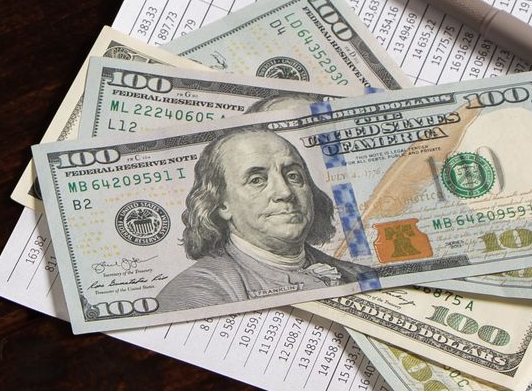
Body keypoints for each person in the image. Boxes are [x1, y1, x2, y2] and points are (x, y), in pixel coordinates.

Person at [155, 126, 373, 313]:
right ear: (222, 204)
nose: (284, 192)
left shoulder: (359, 275)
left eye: (293, 176)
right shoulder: (196, 292)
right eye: (257, 180)